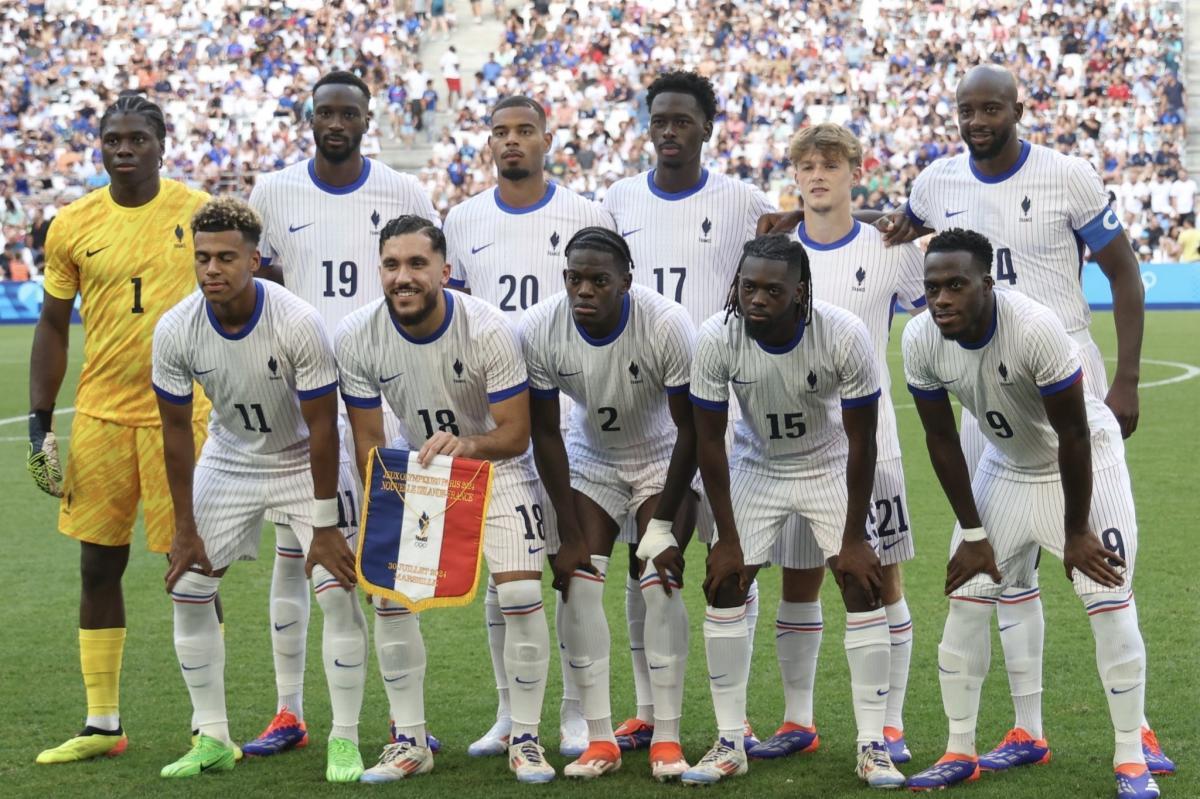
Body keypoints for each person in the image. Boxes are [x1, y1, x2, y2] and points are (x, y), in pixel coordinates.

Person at [880, 64, 1172, 776]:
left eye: (990, 108)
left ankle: (1135, 735)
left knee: (1097, 567)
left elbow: (1124, 271)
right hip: (981, 391)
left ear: (1018, 108)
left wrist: (1127, 376)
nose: (976, 120)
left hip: (1061, 371)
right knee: (998, 571)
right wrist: (800, 222)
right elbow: (888, 235)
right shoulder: (936, 183)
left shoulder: (1066, 174)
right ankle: (1024, 725)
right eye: (964, 109)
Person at [902, 228, 1161, 799]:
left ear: (986, 285)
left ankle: (1130, 757)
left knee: (1107, 598)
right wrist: (972, 533)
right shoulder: (920, 337)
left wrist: (1076, 531)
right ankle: (960, 749)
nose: (941, 298)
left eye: (956, 285)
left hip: (1084, 459)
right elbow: (941, 438)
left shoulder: (1035, 327)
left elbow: (1072, 432)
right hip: (1006, 467)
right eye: (932, 287)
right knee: (967, 600)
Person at [246, 68, 440, 758]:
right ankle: (289, 709)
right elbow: (260, 287)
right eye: (324, 112)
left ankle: (405, 720)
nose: (335, 123)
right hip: (303, 408)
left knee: (391, 564)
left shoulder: (404, 191)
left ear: (366, 120)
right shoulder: (271, 191)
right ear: (309, 119)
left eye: (347, 113)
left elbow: (427, 282)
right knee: (296, 555)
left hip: (382, 403)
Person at [152, 197, 368, 783]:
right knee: (190, 586)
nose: (212, 269)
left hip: (304, 458)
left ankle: (343, 740)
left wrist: (324, 526)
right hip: (231, 456)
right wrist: (184, 527)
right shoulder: (175, 328)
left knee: (335, 589)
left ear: (254, 259)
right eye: (202, 258)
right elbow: (175, 434)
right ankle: (213, 736)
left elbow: (324, 426)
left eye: (226, 257)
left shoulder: (297, 321)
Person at [335, 215, 555, 784]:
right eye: (391, 265)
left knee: (523, 592)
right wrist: (384, 516)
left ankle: (526, 738)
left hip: (495, 464)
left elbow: (515, 435)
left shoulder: (487, 328)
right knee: (389, 597)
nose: (402, 277)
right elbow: (368, 443)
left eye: (416, 264)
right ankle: (409, 741)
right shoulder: (357, 336)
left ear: (445, 271)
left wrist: (468, 445)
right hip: (415, 469)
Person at [683, 234, 905, 789]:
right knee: (726, 584)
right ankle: (730, 739)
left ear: (801, 293)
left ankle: (872, 745)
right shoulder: (717, 336)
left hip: (829, 464)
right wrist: (726, 538)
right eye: (747, 286)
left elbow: (862, 442)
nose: (755, 299)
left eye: (771, 290)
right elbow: (708, 442)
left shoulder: (844, 333)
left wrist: (854, 538)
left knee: (863, 584)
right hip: (757, 464)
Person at [29, 94, 211, 765]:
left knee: (191, 564)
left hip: (182, 414)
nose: (124, 148)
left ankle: (209, 724)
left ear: (162, 142)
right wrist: (40, 425)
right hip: (102, 413)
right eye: (112, 139)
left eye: (137, 137)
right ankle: (102, 721)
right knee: (98, 561)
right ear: (98, 145)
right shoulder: (73, 222)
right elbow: (51, 325)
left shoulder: (198, 212)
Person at [601, 69, 775, 752]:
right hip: (646, 414)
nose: (669, 132)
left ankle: (736, 714)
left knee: (732, 554)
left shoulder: (744, 200)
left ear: (708, 126)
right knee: (646, 557)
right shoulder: (616, 199)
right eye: (659, 121)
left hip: (726, 407)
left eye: (682, 121)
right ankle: (647, 709)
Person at [443, 94, 614, 759]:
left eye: (524, 131)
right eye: (500, 132)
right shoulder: (462, 218)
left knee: (573, 568)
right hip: (496, 421)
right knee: (504, 572)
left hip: (568, 420)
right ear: (488, 144)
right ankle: (509, 710)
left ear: (549, 139)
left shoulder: (586, 214)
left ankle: (575, 712)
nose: (511, 142)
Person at [751, 124, 926, 764]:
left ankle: (891, 722)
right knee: (797, 583)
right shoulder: (774, 251)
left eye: (830, 164)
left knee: (882, 581)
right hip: (790, 448)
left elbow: (932, 306)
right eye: (806, 166)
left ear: (856, 170)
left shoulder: (892, 249)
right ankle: (798, 719)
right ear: (794, 176)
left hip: (870, 444)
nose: (817, 175)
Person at [521, 227, 699, 781]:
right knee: (577, 579)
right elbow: (546, 434)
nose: (585, 291)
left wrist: (664, 522)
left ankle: (666, 736)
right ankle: (600, 738)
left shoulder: (666, 323)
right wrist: (567, 530)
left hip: (662, 456)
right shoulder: (540, 329)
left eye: (600, 280)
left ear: (627, 280)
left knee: (658, 577)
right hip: (590, 457)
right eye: (575, 278)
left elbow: (690, 430)